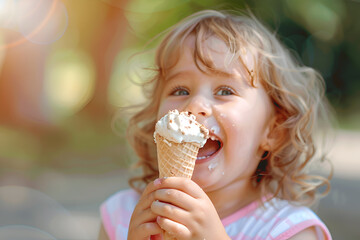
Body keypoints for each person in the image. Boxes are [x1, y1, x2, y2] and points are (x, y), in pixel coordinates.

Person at [98, 9, 334, 240]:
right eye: (180, 90)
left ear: (273, 131)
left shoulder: (289, 230)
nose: (195, 104)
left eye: (224, 90)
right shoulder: (123, 214)